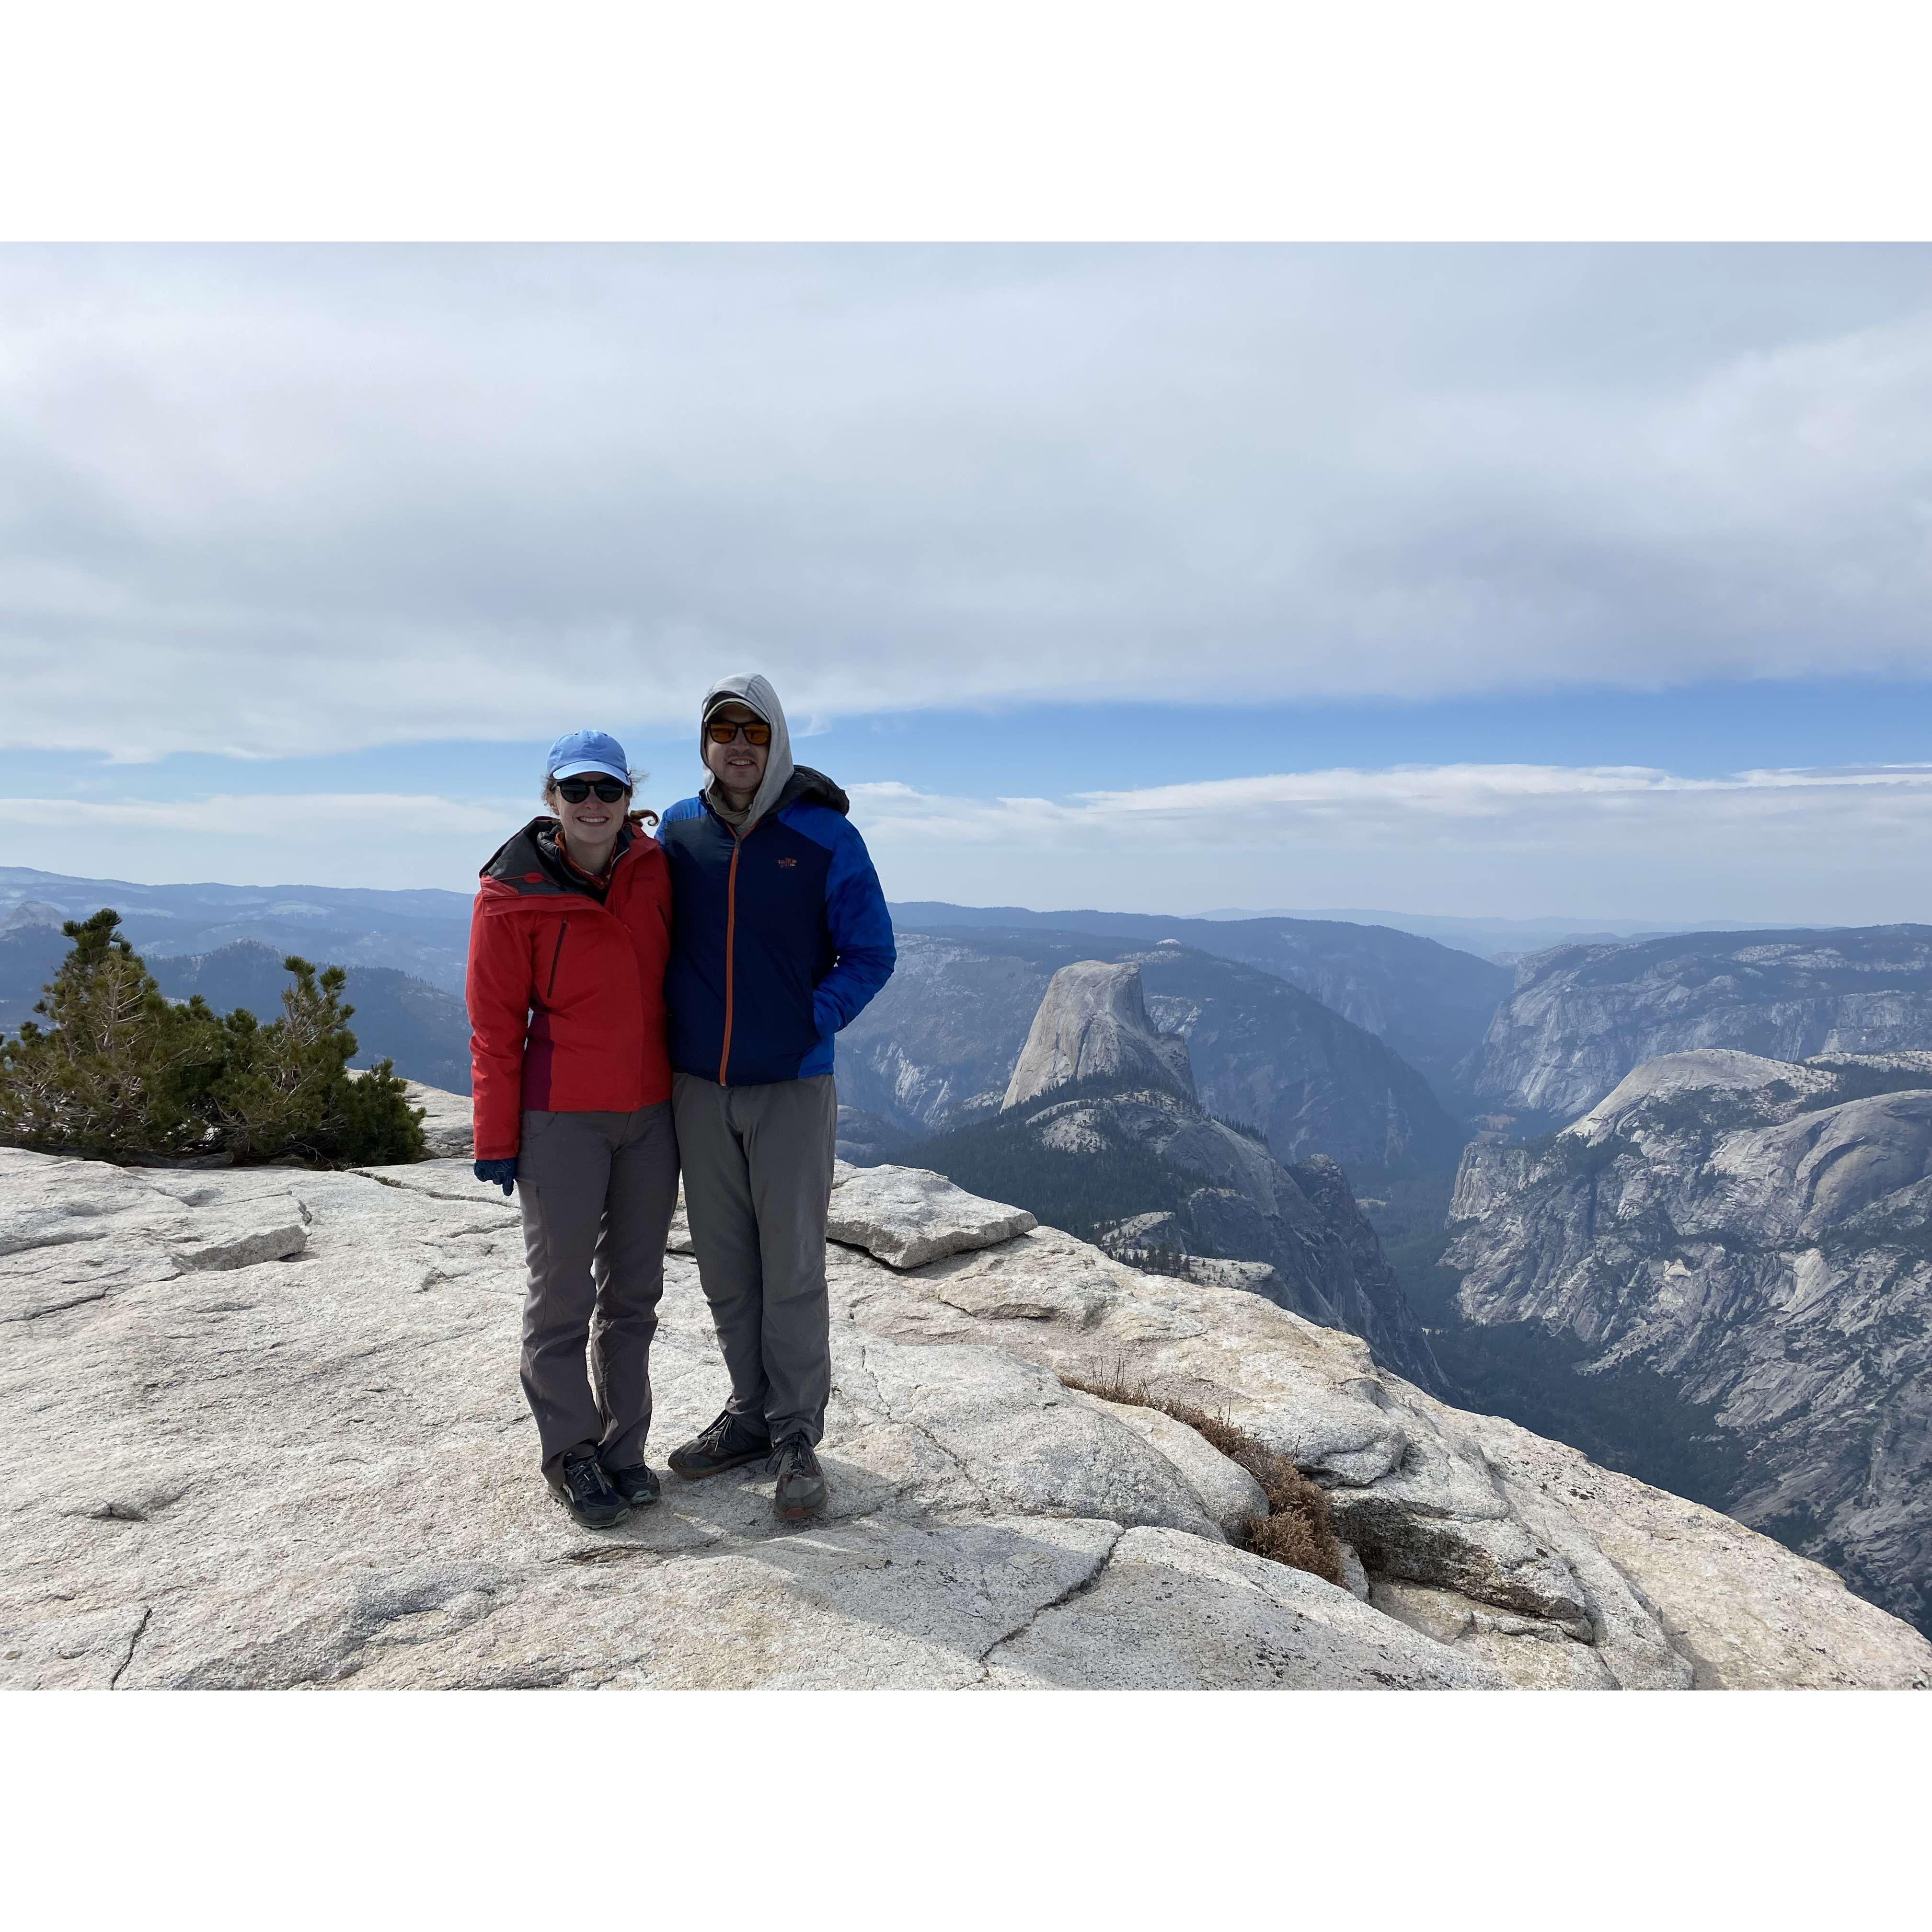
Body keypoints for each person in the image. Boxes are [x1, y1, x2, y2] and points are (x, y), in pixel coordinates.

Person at [657, 675, 895, 1520]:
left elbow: (871, 953)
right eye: (723, 731)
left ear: (776, 739)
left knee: (790, 1264)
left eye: (753, 732)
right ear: (705, 745)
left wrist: (810, 1018)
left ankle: (797, 1432)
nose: (739, 745)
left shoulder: (826, 836)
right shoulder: (678, 833)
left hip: (792, 1083)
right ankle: (749, 1413)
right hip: (696, 1084)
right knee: (725, 1264)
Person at [466, 729, 677, 1530]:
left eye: (608, 791)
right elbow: (493, 1027)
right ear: (551, 800)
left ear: (630, 800)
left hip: (653, 1115)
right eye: (577, 790)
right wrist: (497, 1136)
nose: (594, 805)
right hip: (560, 1118)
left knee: (635, 1293)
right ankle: (571, 1454)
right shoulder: (509, 895)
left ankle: (625, 1450)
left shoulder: (658, 868)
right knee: (560, 1295)